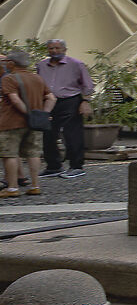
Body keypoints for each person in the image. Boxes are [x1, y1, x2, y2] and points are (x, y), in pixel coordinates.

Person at [1, 50, 56, 199]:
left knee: (10, 154)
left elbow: (15, 99)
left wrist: (27, 113)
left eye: (6, 62)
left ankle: (12, 187)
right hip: (35, 124)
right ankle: (35, 185)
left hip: (11, 122)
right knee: (33, 153)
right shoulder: (37, 78)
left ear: (12, 63)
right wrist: (43, 114)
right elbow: (51, 98)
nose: (5, 65)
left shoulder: (9, 79)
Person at [37, 39, 94, 180]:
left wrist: (85, 101)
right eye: (51, 48)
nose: (54, 51)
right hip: (49, 101)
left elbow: (87, 85)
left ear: (64, 49)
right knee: (48, 133)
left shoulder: (76, 64)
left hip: (70, 100)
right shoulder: (41, 65)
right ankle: (53, 166)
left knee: (72, 133)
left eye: (57, 48)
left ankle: (76, 166)